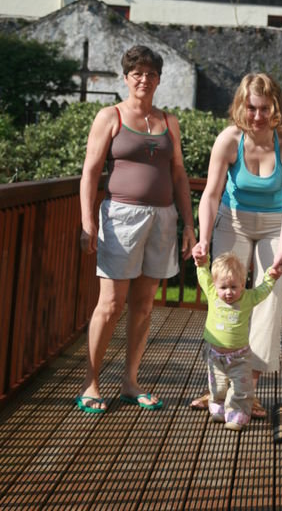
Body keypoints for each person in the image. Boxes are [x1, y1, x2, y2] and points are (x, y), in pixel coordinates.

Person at [76, 45, 196, 414]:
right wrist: (88, 223)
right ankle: (91, 383)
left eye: (151, 74)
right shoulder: (109, 116)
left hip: (162, 220)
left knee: (143, 307)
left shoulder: (168, 121)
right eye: (137, 73)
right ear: (126, 78)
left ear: (159, 79)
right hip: (121, 218)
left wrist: (189, 224)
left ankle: (130, 382)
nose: (144, 79)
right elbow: (90, 172)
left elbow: (178, 174)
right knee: (111, 305)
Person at [191, 72, 282, 418]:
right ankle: (218, 387)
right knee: (226, 299)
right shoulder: (229, 140)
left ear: (276, 108)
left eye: (264, 108)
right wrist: (204, 238)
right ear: (242, 106)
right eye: (251, 108)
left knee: (267, 305)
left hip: (276, 226)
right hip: (234, 220)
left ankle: (246, 392)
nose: (257, 116)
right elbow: (210, 194)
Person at [196, 251, 277, 430]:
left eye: (234, 287)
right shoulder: (212, 293)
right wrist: (202, 263)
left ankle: (237, 413)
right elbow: (203, 275)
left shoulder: (247, 298)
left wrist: (271, 277)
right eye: (223, 287)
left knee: (241, 388)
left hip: (239, 357)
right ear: (215, 286)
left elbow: (263, 290)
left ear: (243, 284)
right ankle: (217, 406)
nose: (229, 292)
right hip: (215, 355)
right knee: (216, 386)